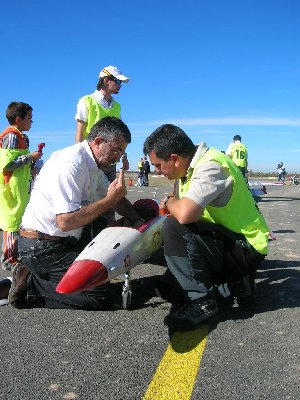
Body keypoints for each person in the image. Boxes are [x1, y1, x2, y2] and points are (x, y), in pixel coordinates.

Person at [0, 117, 143, 310]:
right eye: (117, 150)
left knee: (99, 226)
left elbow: (116, 198)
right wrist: (110, 200)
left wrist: (137, 219)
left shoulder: (93, 165)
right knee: (98, 296)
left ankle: (40, 276)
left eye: (122, 152)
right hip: (42, 247)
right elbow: (65, 221)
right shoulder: (71, 163)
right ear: (99, 141)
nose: (118, 157)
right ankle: (29, 285)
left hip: (63, 241)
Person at [143, 124, 269, 331]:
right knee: (170, 288)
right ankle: (237, 281)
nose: (157, 171)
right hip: (229, 239)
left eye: (158, 165)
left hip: (247, 247)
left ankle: (202, 303)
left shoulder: (210, 165)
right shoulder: (186, 170)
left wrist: (168, 202)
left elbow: (184, 214)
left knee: (174, 227)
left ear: (175, 159)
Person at [75, 65, 130, 223]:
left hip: (110, 160)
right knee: (88, 199)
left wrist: (123, 156)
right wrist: (80, 160)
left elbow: (120, 134)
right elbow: (79, 133)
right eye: (118, 81)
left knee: (110, 198)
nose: (120, 85)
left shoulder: (116, 106)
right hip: (90, 159)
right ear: (106, 81)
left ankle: (106, 230)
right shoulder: (86, 101)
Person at [0, 102, 42, 272]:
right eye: (29, 118)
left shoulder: (20, 136)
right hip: (11, 186)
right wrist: (30, 157)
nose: (32, 121)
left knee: (19, 220)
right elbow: (8, 164)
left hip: (20, 186)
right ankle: (9, 258)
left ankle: (17, 256)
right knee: (12, 221)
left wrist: (32, 165)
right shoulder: (11, 136)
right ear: (18, 119)